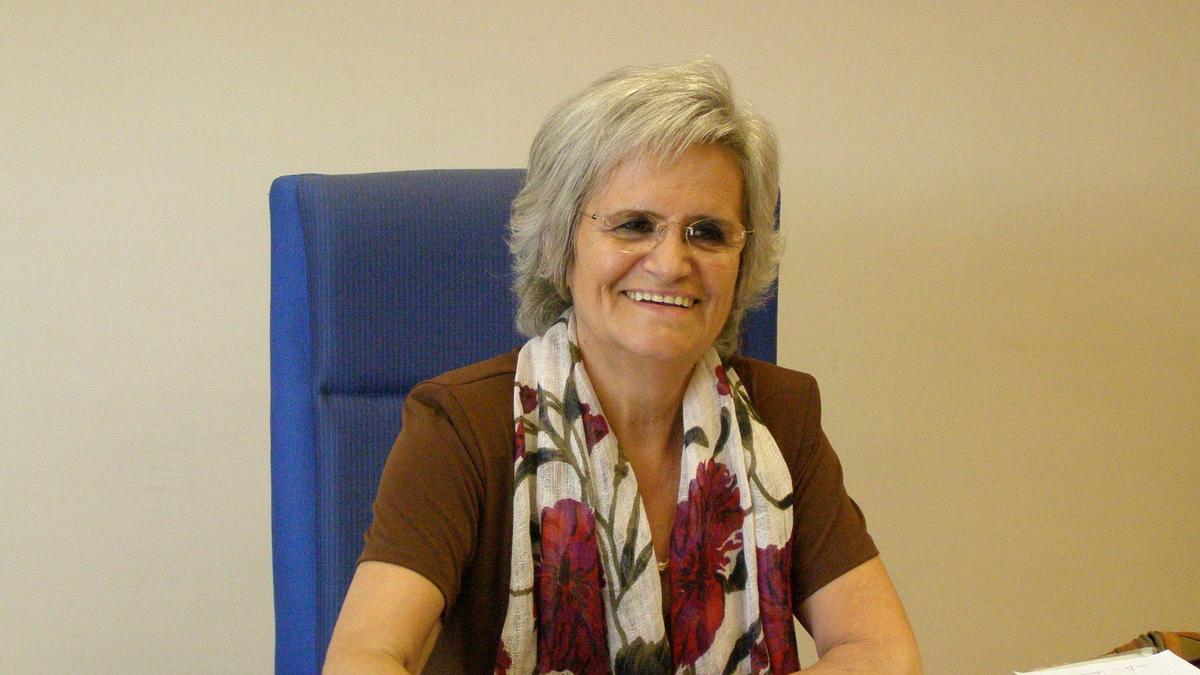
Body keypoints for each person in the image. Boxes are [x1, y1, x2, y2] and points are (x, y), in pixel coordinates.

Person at [324, 60, 921, 674]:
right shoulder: (462, 425)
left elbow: (882, 651)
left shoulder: (780, 415)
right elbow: (365, 657)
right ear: (562, 246)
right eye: (635, 225)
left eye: (707, 233)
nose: (671, 263)